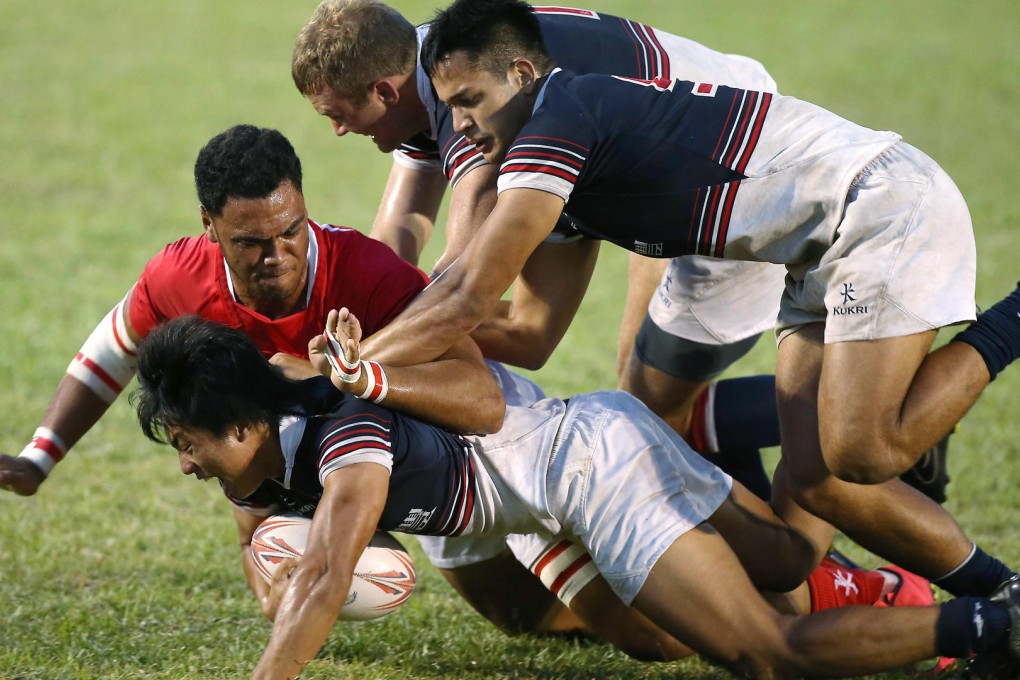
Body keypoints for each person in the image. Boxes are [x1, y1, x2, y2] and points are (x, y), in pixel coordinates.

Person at [358, 0, 1020, 604]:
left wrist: (357, 372)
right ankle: (1004, 599)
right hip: (814, 253)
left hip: (875, 209)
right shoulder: (541, 148)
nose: (462, 127)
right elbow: (524, 329)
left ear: (524, 74)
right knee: (822, 487)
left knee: (863, 451)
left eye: (470, 101)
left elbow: (467, 293)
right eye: (450, 108)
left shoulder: (557, 122)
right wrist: (397, 350)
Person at [291, 0, 952, 507]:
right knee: (532, 339)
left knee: (650, 411)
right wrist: (352, 320)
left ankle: (872, 419)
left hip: (706, 169)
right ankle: (759, 529)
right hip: (613, 164)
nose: (338, 130)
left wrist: (346, 366)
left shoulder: (464, 102)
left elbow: (461, 280)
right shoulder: (443, 61)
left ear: (384, 89)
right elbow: (401, 229)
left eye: (337, 113)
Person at [131, 314, 1020, 680]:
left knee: (768, 653)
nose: (185, 466)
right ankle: (841, 434)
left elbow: (328, 573)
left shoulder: (343, 440)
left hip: (585, 473)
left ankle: (992, 624)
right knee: (783, 561)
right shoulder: (271, 412)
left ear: (241, 428)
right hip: (572, 457)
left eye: (187, 445)